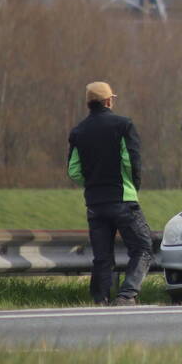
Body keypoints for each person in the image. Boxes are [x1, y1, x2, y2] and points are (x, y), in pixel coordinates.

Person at [67, 82, 154, 306]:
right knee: (143, 247)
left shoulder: (78, 132)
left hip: (95, 203)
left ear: (89, 103)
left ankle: (100, 300)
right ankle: (126, 295)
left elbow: (73, 170)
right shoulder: (123, 125)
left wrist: (94, 184)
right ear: (108, 101)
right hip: (122, 199)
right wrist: (133, 186)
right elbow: (131, 162)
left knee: (102, 257)